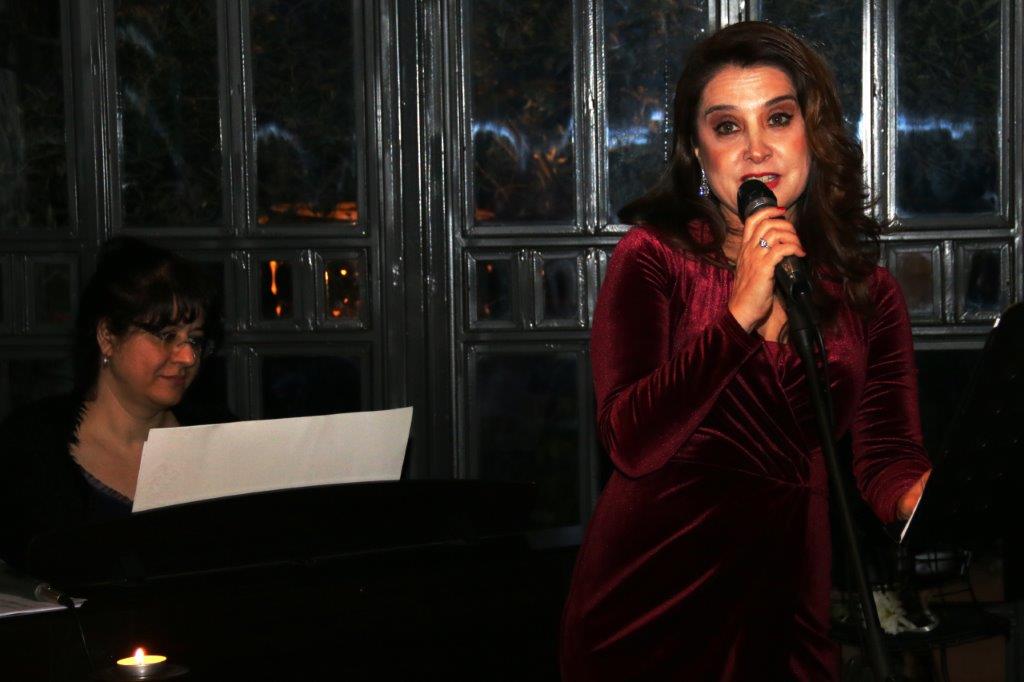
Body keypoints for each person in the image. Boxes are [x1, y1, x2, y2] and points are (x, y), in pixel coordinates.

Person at [560, 21, 931, 681]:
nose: (757, 149)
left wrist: (920, 498)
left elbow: (886, 455)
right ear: (696, 151)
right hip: (654, 598)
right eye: (727, 127)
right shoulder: (653, 258)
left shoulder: (865, 291)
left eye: (778, 118)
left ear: (813, 132)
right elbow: (629, 440)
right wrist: (737, 316)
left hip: (789, 595)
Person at [0, 237, 229, 571]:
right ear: (107, 336)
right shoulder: (30, 449)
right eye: (166, 336)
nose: (188, 357)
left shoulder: (222, 439)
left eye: (194, 339)